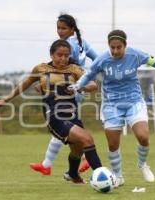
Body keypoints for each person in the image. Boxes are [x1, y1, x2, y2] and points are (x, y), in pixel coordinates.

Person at [69, 30, 155, 186]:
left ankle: (142, 165)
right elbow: (89, 75)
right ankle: (118, 176)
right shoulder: (102, 59)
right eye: (112, 47)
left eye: (119, 47)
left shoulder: (136, 55)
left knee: (143, 136)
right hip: (111, 105)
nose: (115, 51)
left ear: (125, 45)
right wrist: (79, 85)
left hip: (134, 102)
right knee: (113, 144)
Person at [0, 39, 102, 183]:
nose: (63, 59)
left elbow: (93, 84)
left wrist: (80, 87)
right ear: (51, 55)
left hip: (72, 114)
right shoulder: (41, 69)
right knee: (87, 139)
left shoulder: (74, 69)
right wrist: (7, 98)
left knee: (77, 150)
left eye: (66, 55)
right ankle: (102, 176)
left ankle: (72, 174)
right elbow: (25, 83)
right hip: (54, 116)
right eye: (59, 55)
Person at [30, 14, 97, 175]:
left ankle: (83, 158)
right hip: (76, 89)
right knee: (67, 127)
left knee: (63, 126)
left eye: (63, 28)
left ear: (72, 29)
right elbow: (97, 59)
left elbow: (61, 70)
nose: (60, 31)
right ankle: (49, 164)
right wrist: (88, 76)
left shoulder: (66, 46)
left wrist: (44, 83)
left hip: (66, 91)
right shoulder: (82, 42)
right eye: (58, 28)